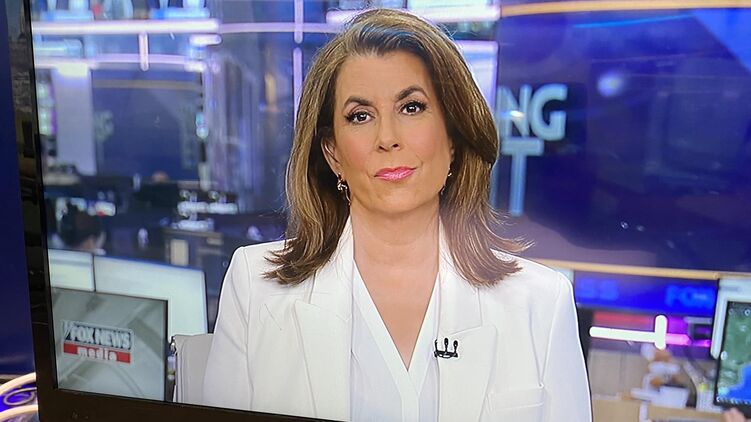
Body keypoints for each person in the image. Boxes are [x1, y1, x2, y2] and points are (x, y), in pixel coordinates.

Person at [203, 8, 591, 421]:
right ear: (332, 153)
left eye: (411, 108)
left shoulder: (541, 302)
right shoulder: (255, 287)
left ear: (453, 137)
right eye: (360, 116)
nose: (387, 138)